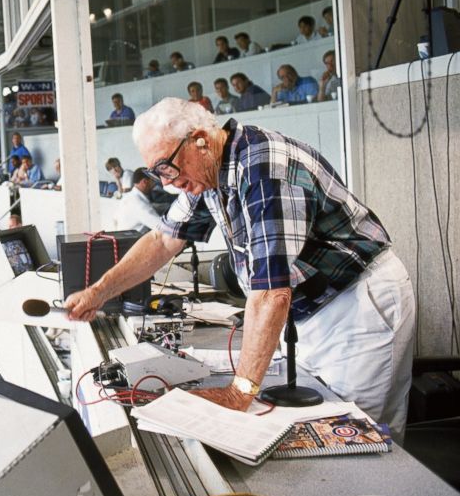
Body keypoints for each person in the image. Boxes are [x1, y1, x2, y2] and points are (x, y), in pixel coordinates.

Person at [64, 97, 415, 442]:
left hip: (357, 304)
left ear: (200, 140)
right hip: (315, 310)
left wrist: (239, 392)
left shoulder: (265, 169)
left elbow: (271, 292)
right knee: (332, 426)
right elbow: (162, 241)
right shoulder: (209, 170)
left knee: (362, 436)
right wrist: (98, 292)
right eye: (156, 173)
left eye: (166, 167)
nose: (166, 182)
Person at [118, 169, 162, 233]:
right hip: (133, 240)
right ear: (145, 182)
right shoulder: (139, 204)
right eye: (153, 181)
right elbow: (162, 227)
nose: (154, 185)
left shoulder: (129, 196)